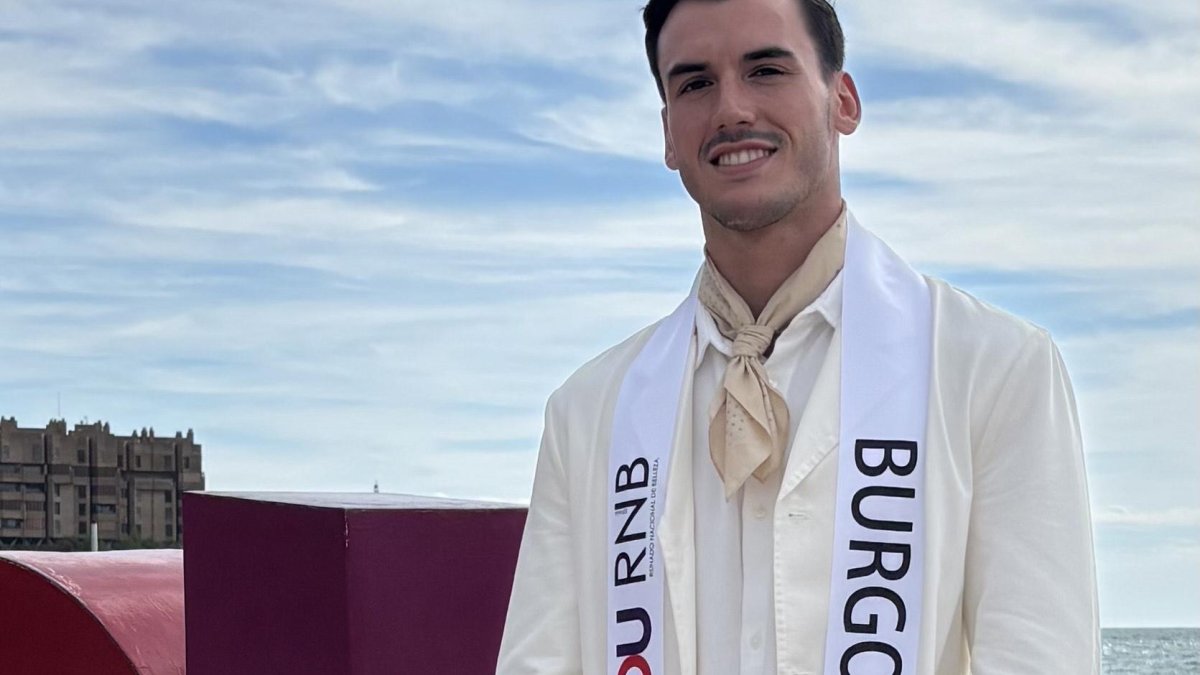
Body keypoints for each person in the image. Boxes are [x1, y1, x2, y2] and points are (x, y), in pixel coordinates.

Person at [497, 0, 1100, 672]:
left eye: (767, 70)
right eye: (695, 83)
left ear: (842, 101)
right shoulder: (589, 413)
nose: (731, 108)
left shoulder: (994, 369)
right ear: (669, 135)